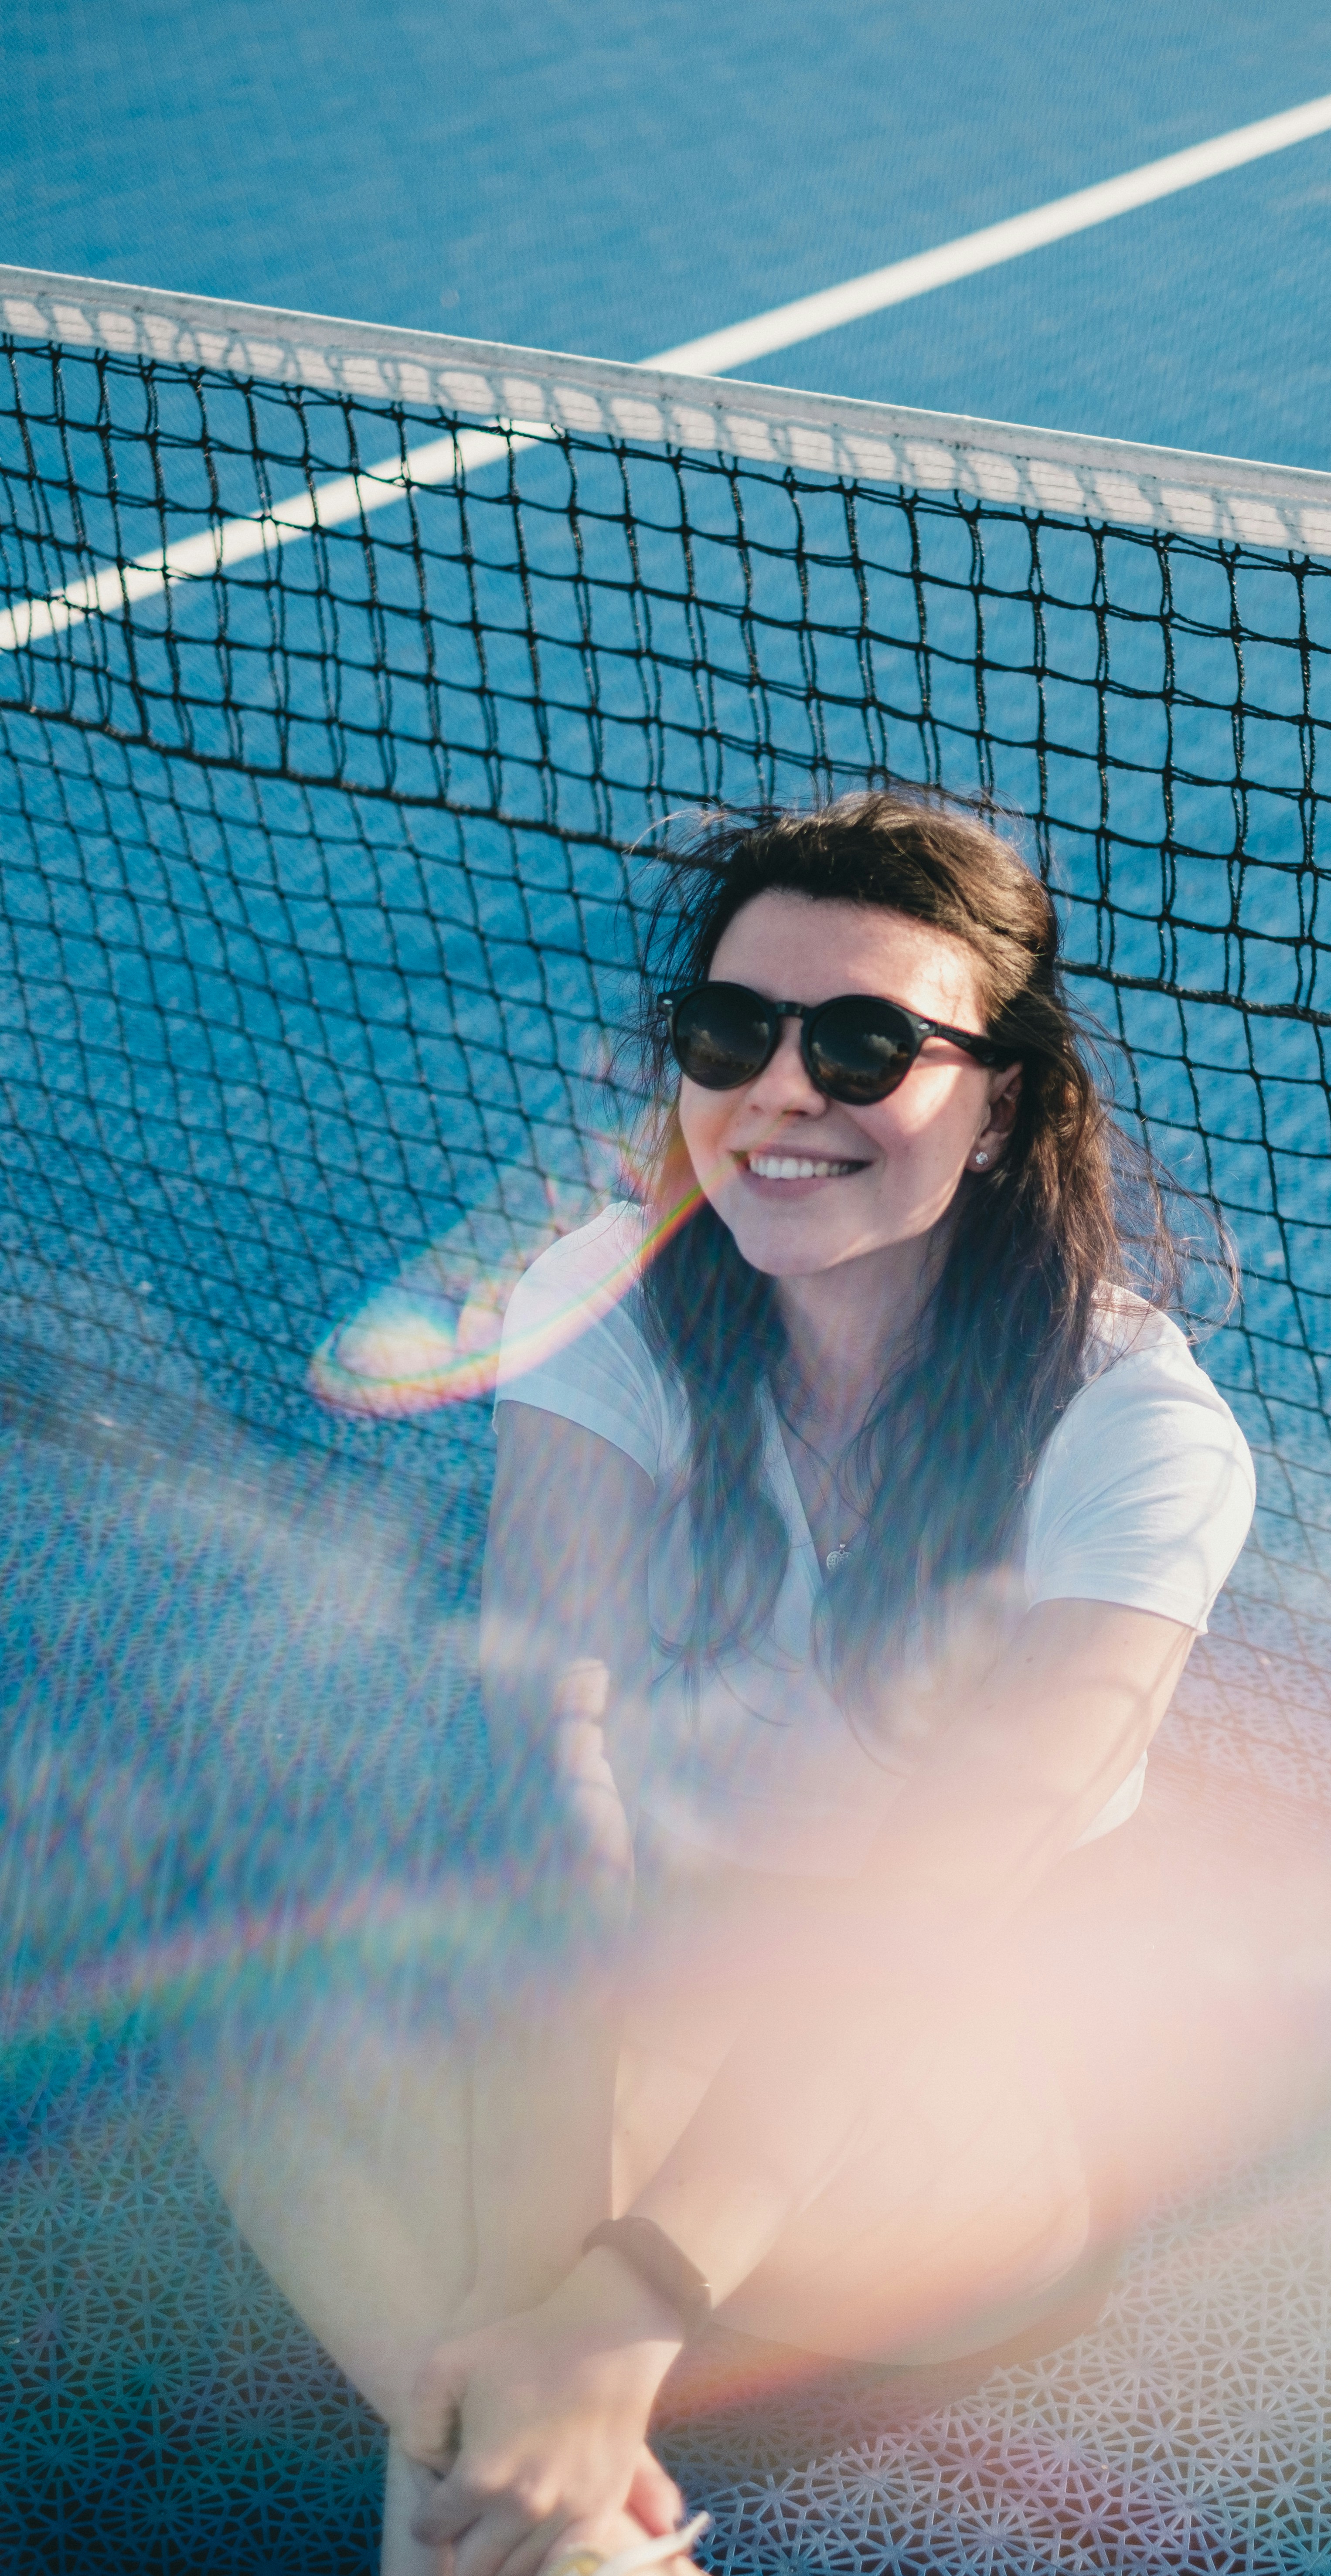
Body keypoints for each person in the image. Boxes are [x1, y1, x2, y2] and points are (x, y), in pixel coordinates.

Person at [184, 788, 1254, 2576]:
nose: (780, 1089)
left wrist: (617, 2304)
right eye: (730, 1030)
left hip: (948, 2119)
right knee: (268, 1997)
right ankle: (571, 2529)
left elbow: (922, 1916)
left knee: (373, 2072)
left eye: (862, 1046)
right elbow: (549, 1792)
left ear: (1001, 1109)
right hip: (643, 2025)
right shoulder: (606, 1293)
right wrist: (545, 2327)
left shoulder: (1137, 1436)